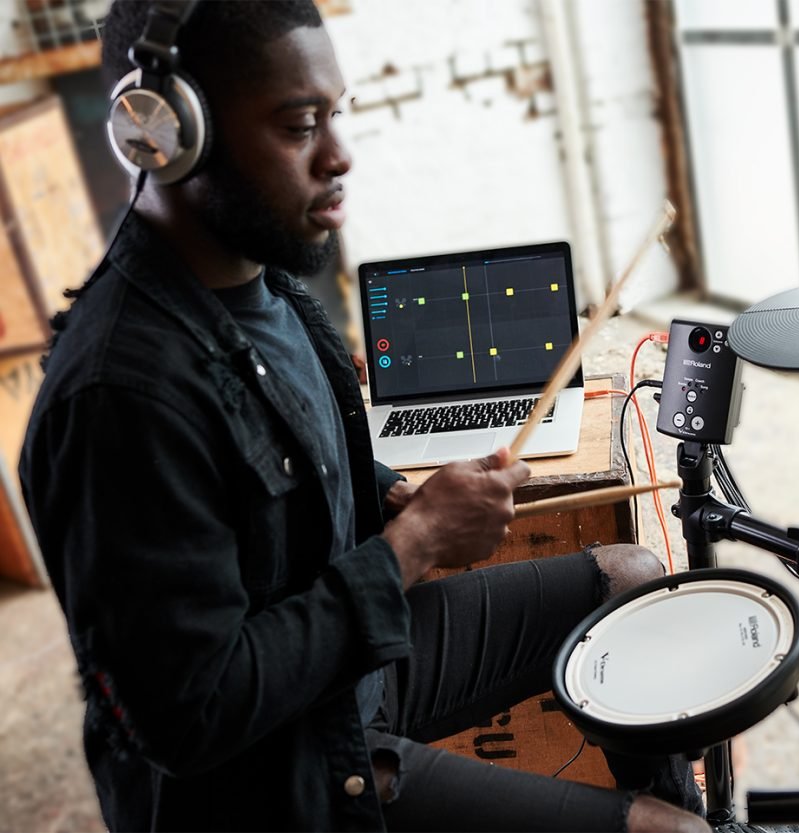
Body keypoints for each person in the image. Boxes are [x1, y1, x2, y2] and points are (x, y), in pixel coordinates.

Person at [18, 2, 708, 831]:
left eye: (333, 115)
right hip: (279, 772)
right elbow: (190, 714)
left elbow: (296, 460)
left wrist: (391, 496)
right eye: (299, 126)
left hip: (348, 672)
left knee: (630, 581)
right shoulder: (119, 400)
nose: (339, 155)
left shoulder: (267, 287)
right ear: (165, 135)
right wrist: (413, 547)